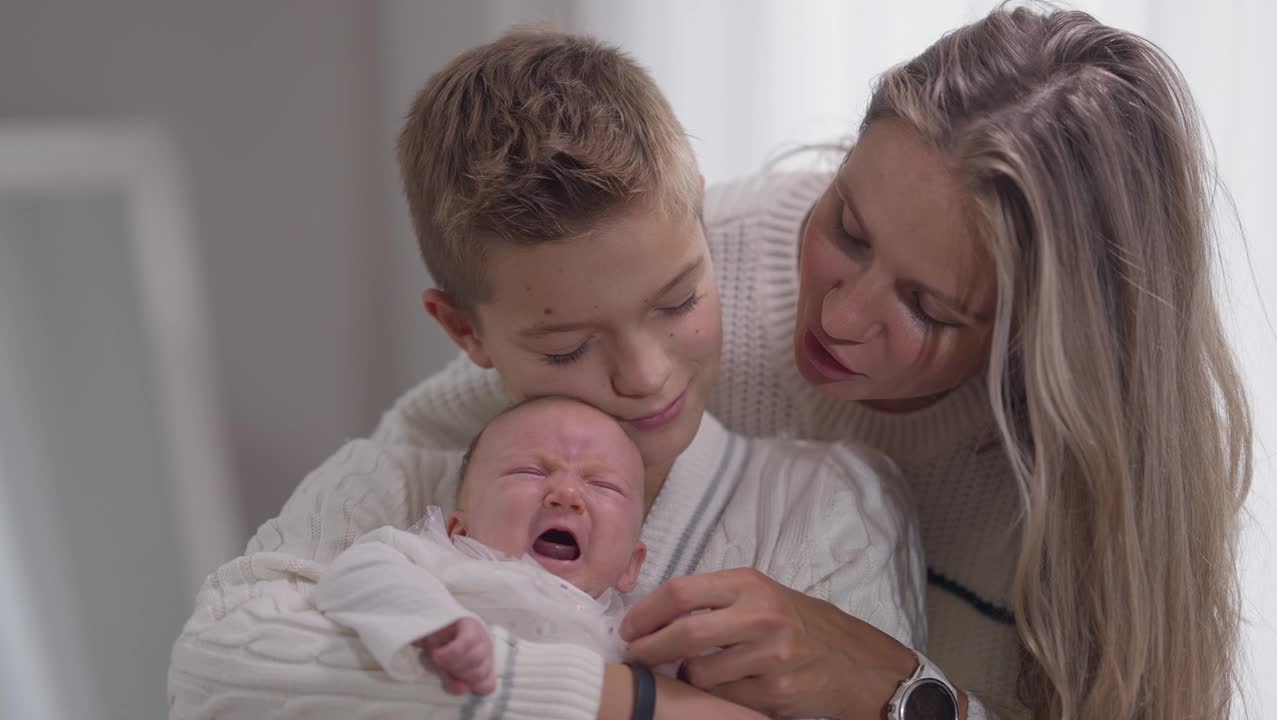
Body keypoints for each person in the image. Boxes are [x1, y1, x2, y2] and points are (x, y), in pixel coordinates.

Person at [299, 6, 1251, 720]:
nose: (836, 313)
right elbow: (255, 628)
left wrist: (898, 694)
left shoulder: (1094, 477)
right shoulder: (689, 270)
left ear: (1036, 339)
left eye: (927, 308)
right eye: (845, 226)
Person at [167, 28, 924, 720]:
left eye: (679, 300)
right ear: (465, 331)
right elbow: (211, 671)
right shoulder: (392, 491)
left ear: (705, 230)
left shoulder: (823, 510)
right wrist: (634, 703)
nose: (646, 374)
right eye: (567, 348)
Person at [312, 397, 650, 693]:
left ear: (631, 567)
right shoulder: (439, 564)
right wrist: (435, 622)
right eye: (530, 471)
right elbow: (355, 570)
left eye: (602, 485)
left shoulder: (631, 634)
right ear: (460, 530)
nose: (567, 494)